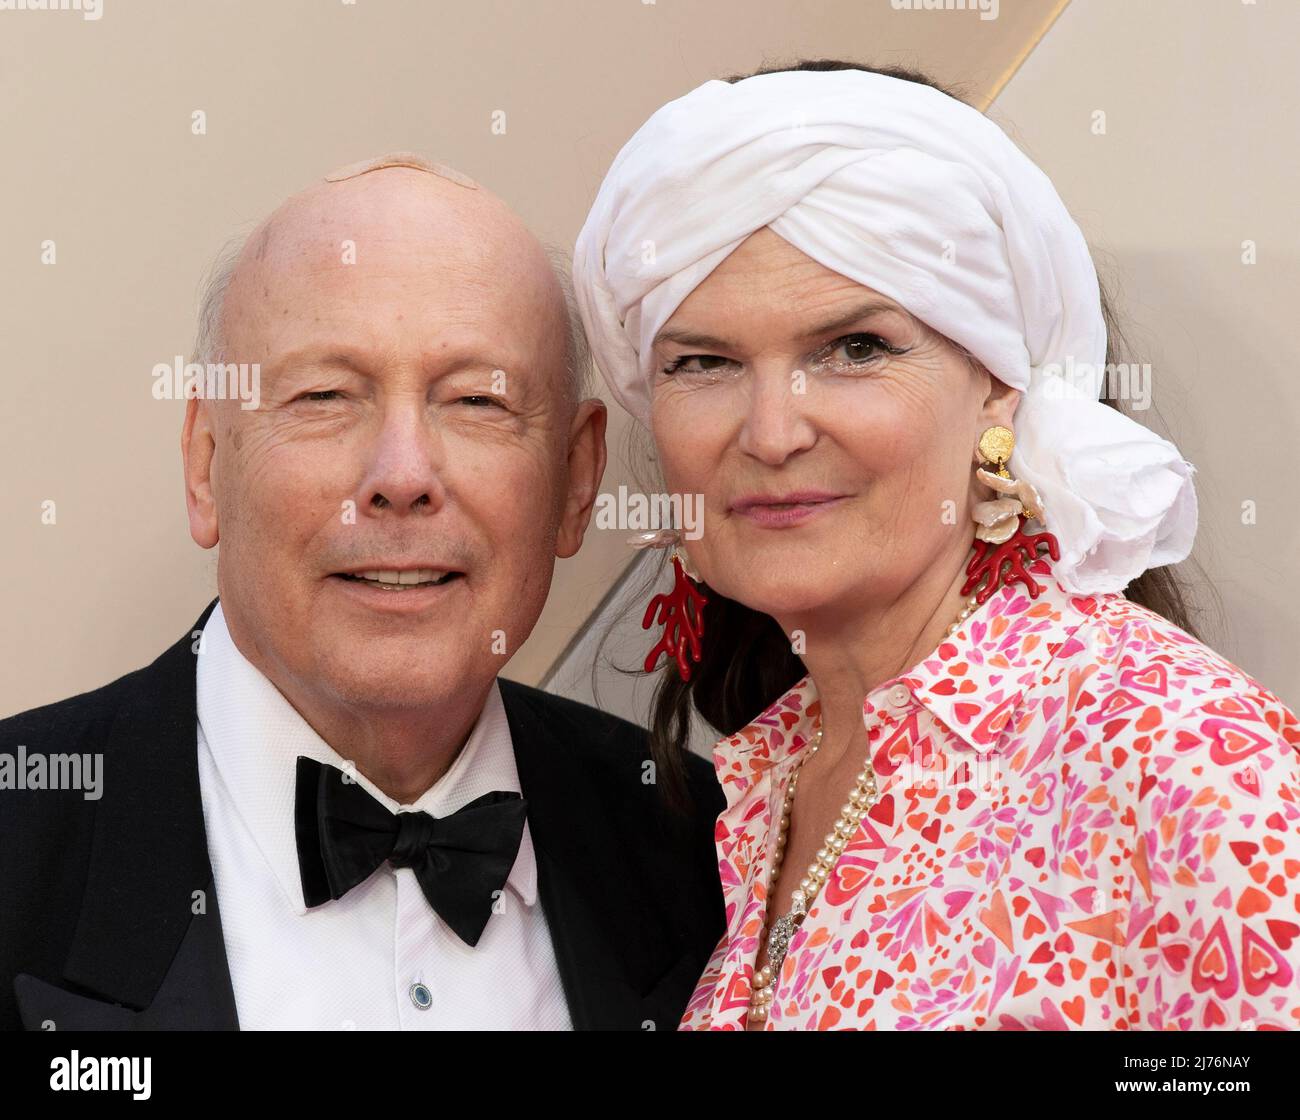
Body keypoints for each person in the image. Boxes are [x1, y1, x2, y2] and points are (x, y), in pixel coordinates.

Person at [572, 62, 1300, 1030]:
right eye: (703, 362)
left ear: (1001, 382)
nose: (772, 431)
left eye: (856, 347)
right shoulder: (769, 774)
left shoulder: (1181, 750)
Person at [0, 153, 724, 1031]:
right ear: (206, 466)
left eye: (477, 402)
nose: (403, 475)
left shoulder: (712, 851)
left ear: (577, 480)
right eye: (326, 395)